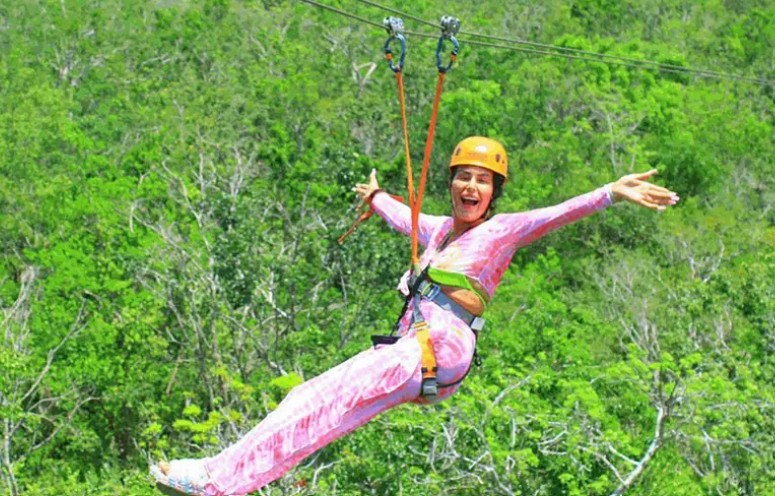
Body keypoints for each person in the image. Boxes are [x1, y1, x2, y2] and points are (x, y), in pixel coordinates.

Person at [150, 136, 679, 495]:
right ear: (452, 183)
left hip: (438, 348)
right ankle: (229, 483)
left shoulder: (503, 230)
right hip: (415, 351)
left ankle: (216, 477)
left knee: (321, 397)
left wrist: (611, 192)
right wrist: (376, 197)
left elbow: (558, 213)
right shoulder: (441, 231)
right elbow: (404, 217)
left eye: (482, 181)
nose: (471, 187)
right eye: (463, 177)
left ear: (495, 193)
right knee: (319, 407)